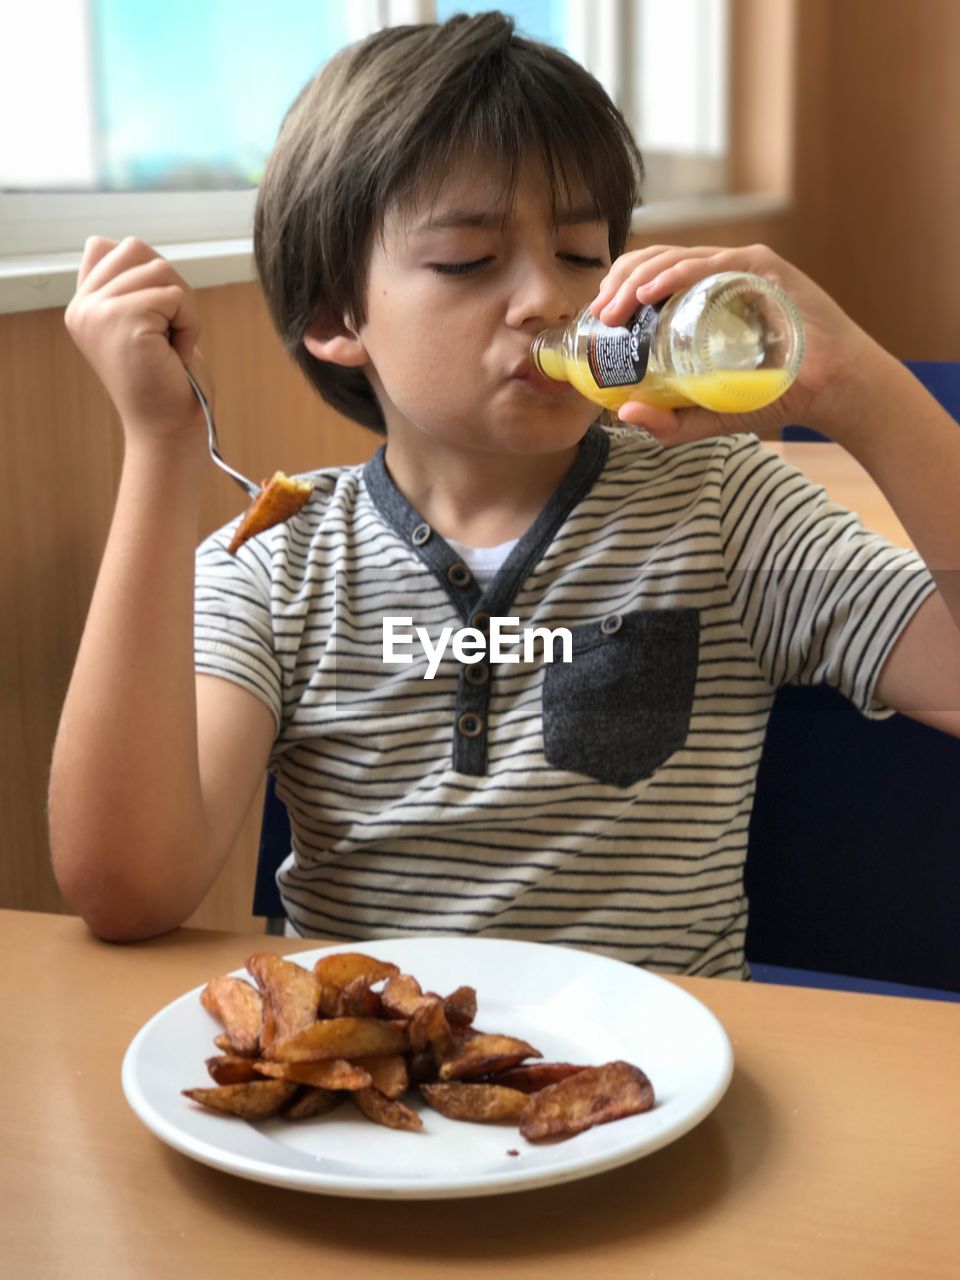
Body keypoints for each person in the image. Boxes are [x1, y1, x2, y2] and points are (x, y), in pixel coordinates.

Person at [50, 12, 960, 978]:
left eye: (580, 253)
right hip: (375, 1095)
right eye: (467, 262)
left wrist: (862, 388)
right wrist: (161, 444)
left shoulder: (724, 509)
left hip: (656, 1085)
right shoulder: (282, 562)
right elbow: (128, 889)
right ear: (334, 316)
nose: (546, 301)